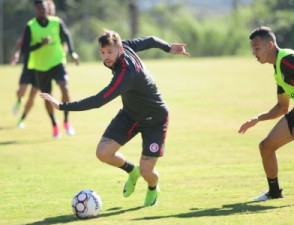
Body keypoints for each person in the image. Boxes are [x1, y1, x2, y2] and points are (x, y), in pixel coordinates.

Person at [40, 29, 189, 206]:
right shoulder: (124, 46)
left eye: (110, 52)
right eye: (102, 52)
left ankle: (152, 187)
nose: (106, 57)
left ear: (119, 48)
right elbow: (149, 40)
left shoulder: (125, 74)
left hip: (155, 119)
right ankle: (131, 170)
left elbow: (98, 100)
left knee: (147, 171)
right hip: (130, 114)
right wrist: (168, 47)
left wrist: (62, 106)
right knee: (103, 153)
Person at [238, 26, 294, 201]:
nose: (254, 53)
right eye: (252, 49)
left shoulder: (290, 60)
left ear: (270, 44)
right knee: (266, 146)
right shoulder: (278, 69)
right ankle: (274, 192)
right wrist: (257, 119)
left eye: (257, 48)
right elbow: (282, 107)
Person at [23, 0, 79, 138]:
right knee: (47, 97)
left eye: (44, 8)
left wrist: (72, 52)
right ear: (35, 10)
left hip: (57, 62)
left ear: (47, 9)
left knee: (64, 87)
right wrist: (40, 44)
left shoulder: (57, 22)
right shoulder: (30, 26)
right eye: (39, 8)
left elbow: (66, 35)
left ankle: (66, 121)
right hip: (41, 67)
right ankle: (54, 124)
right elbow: (25, 49)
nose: (42, 10)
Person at [11, 0, 58, 128]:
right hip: (29, 63)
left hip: (42, 66)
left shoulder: (53, 24)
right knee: (21, 91)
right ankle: (19, 100)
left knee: (32, 96)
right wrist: (16, 53)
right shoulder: (32, 25)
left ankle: (22, 119)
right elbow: (21, 42)